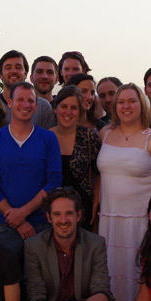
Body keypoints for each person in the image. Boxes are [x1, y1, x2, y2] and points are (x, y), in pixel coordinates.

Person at [98, 83, 151, 301]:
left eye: (132, 101)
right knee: (110, 279)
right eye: (121, 102)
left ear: (142, 104)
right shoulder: (105, 134)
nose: (126, 106)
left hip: (141, 224)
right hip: (109, 221)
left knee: (139, 281)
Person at [0, 82, 62, 262]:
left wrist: (23, 213)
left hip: (40, 224)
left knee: (38, 284)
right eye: (20, 100)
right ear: (9, 103)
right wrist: (14, 217)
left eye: (30, 101)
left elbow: (54, 181)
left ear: (36, 105)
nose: (25, 105)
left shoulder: (48, 139)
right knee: (6, 283)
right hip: (4, 226)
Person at [50, 86, 101, 230]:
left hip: (83, 208)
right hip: (51, 210)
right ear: (55, 109)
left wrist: (96, 202)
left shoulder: (89, 136)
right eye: (64, 106)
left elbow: (99, 172)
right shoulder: (45, 137)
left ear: (79, 112)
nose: (68, 112)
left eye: (74, 108)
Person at [0, 50, 56, 128]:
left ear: (26, 74)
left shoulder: (43, 107)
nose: (14, 71)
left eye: (18, 67)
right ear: (0, 75)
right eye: (8, 68)